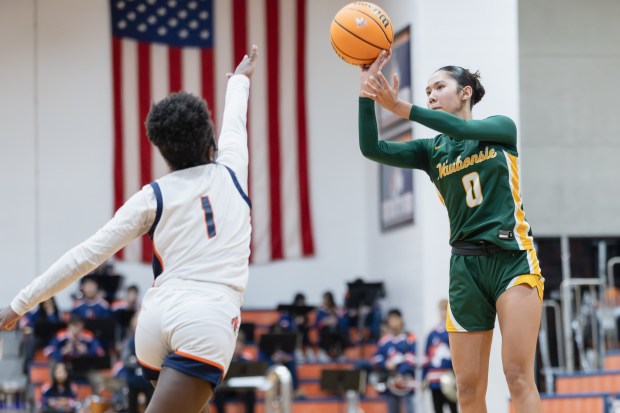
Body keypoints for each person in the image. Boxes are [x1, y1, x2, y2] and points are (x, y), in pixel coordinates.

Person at [0, 45, 259, 413]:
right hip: (206, 318)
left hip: (154, 321)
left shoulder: (152, 195)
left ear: (163, 151)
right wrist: (240, 80)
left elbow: (84, 257)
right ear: (209, 138)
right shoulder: (232, 170)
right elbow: (236, 120)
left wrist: (18, 304)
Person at [358, 50, 544, 413]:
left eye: (439, 86)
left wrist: (401, 107)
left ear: (466, 93)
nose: (430, 95)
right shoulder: (431, 152)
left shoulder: (500, 128)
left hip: (511, 260)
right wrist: (367, 96)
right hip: (465, 267)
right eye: (426, 90)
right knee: (466, 389)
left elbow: (460, 128)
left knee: (517, 376)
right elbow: (371, 148)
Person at [372, 309, 416, 413]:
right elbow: (376, 358)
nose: (394, 322)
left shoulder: (409, 338)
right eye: (391, 319)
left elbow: (411, 357)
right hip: (390, 383)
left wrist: (401, 373)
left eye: (396, 318)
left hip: (406, 383)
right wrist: (386, 364)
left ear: (401, 320)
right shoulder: (384, 341)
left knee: (409, 409)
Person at [422, 299, 457, 413]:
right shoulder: (432, 334)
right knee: (437, 409)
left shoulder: (454, 331)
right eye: (442, 309)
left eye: (446, 309)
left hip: (450, 378)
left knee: (453, 408)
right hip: (434, 380)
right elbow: (426, 357)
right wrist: (424, 377)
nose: (444, 312)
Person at [213, 331, 256, 413]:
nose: (238, 347)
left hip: (242, 389)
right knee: (218, 394)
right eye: (236, 344)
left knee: (251, 393)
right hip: (226, 389)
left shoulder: (246, 359)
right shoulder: (224, 359)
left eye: (240, 344)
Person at [315, 291, 347, 360]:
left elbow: (342, 320)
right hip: (325, 332)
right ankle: (328, 352)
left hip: (337, 332)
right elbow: (317, 325)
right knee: (328, 334)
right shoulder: (320, 311)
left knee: (337, 333)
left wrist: (336, 319)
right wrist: (325, 322)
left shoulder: (337, 310)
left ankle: (338, 352)